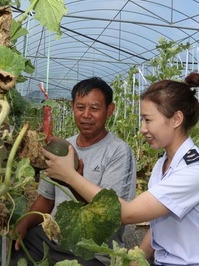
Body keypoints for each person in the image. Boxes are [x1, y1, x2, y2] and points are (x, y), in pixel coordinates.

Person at [42, 72, 199, 265]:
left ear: (176, 119)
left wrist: (70, 176)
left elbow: (127, 213)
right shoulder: (163, 163)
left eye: (148, 120)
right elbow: (163, 220)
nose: (142, 128)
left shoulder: (194, 170)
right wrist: (139, 255)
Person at [10, 77, 137, 266]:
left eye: (94, 108)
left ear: (109, 110)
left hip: (92, 251)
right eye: (80, 107)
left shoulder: (119, 152)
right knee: (17, 246)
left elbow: (109, 216)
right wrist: (24, 223)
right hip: (55, 241)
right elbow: (46, 199)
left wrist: (72, 178)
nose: (86, 115)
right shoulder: (63, 147)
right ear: (72, 107)